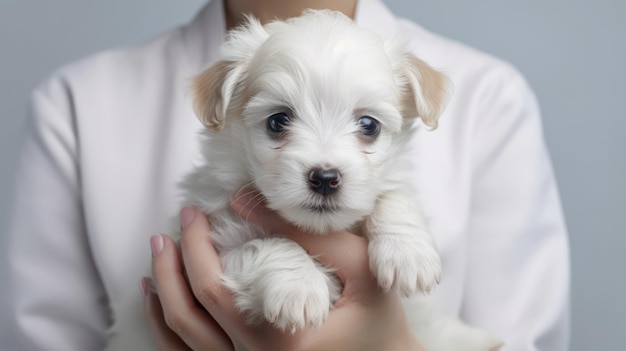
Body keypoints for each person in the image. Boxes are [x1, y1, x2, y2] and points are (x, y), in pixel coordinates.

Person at [0, 0, 570, 350]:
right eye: (279, 123)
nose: (325, 165)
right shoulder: (75, 102)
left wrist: (393, 346)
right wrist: (275, 263)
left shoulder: (492, 97)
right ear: (222, 109)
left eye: (367, 128)